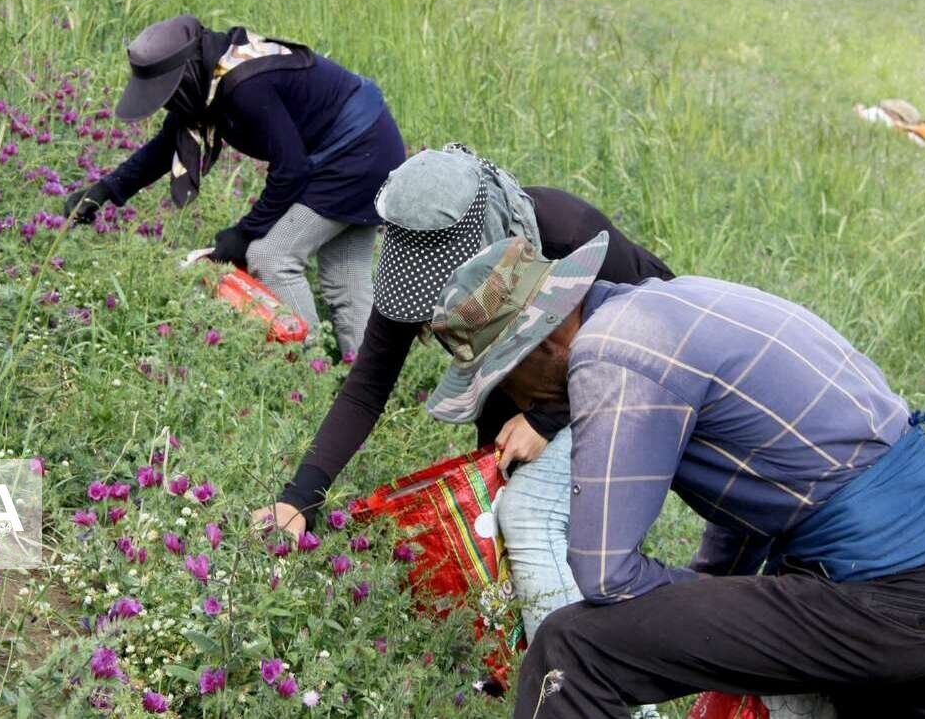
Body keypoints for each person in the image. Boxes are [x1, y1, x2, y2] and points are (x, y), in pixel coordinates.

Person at [423, 235, 925, 719]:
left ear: (544, 343)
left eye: (501, 380)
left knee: (570, 648)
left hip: (890, 601)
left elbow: (604, 575)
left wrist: (709, 606)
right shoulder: (677, 305)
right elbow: (758, 488)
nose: (510, 399)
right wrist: (715, 602)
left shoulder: (613, 350)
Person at [253, 142, 674, 642]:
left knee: (557, 525)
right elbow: (366, 390)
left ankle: (585, 664)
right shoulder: (411, 262)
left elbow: (646, 339)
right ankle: (520, 639)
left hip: (630, 375)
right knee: (500, 495)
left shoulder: (566, 232)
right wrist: (300, 499)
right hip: (513, 373)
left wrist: (549, 418)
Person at [65, 13, 405, 356]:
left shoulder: (243, 85)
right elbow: (165, 145)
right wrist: (104, 191)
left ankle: (306, 368)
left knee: (271, 257)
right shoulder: (208, 73)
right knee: (345, 276)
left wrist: (245, 234)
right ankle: (367, 389)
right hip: (372, 141)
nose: (167, 104)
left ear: (184, 73)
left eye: (167, 94)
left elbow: (292, 169)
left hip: (357, 151)